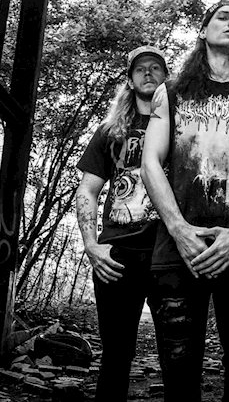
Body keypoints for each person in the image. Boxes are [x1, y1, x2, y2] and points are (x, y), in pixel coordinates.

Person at [141, 0, 229, 402]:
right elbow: (150, 163)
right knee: (178, 365)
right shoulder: (170, 93)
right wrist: (178, 230)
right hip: (179, 248)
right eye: (223, 17)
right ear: (203, 31)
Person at [75, 45, 168, 402]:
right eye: (140, 69)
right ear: (130, 80)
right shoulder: (110, 131)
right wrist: (91, 245)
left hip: (166, 253)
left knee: (177, 355)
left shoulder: (180, 129)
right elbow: (88, 190)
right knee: (116, 354)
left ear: (165, 78)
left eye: (155, 67)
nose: (148, 73)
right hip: (118, 254)